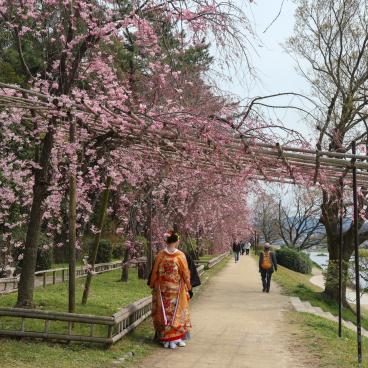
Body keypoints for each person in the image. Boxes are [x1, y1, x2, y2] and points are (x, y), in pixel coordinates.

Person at [149, 230, 192, 349]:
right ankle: (171, 338)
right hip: (175, 289)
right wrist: (189, 287)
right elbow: (185, 273)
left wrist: (153, 284)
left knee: (166, 313)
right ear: (176, 241)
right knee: (174, 312)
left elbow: (155, 272)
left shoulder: (160, 255)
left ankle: (172, 339)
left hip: (164, 289)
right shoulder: (180, 255)